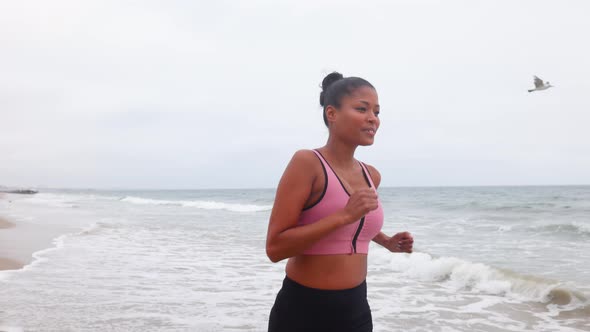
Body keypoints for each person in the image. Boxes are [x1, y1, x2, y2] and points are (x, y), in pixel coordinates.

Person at [266, 72, 414, 332]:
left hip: (356, 310)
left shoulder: (371, 175)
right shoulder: (307, 163)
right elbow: (275, 248)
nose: (373, 119)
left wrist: (386, 241)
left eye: (377, 112)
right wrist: (345, 215)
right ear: (331, 114)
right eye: (362, 109)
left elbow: (353, 223)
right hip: (304, 311)